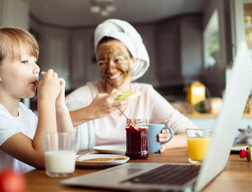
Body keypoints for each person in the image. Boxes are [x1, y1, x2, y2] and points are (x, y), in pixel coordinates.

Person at [0, 27, 73, 192]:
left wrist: (59, 106)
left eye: (35, 61)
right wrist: (45, 100)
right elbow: (43, 158)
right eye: (25, 61)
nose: (36, 69)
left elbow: (65, 151)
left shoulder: (24, 112)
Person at [66, 19, 196, 151]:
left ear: (133, 61)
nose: (110, 69)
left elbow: (193, 133)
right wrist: (92, 111)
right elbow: (49, 121)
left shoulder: (146, 94)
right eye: (102, 63)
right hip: (97, 165)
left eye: (118, 60)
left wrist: (162, 143)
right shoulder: (90, 93)